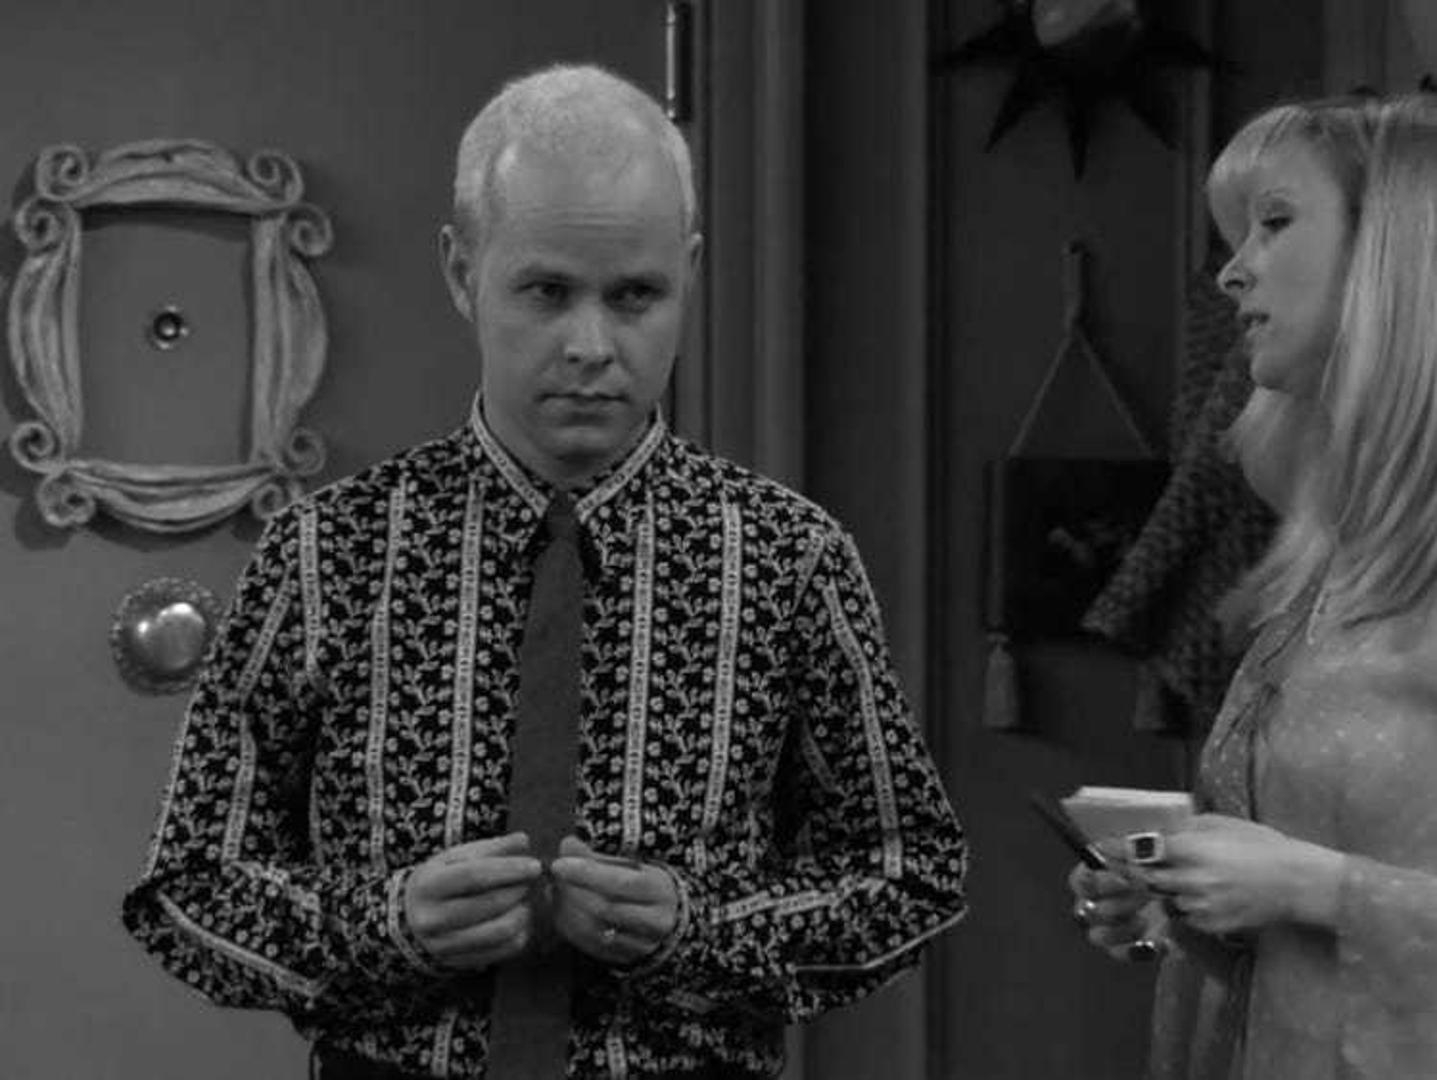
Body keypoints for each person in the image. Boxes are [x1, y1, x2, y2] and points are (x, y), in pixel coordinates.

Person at [122, 63, 968, 1080]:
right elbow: (191, 885)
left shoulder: (788, 556)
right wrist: (382, 926)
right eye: (546, 292)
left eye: (636, 296)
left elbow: (907, 875)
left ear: (690, 272)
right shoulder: (326, 552)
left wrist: (705, 932)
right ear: (460, 271)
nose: (590, 345)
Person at [1069, 91, 1437, 1079]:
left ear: (1395, 252)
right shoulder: (1322, 570)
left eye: (1274, 223)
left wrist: (1312, 887)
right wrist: (1185, 908)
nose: (1233, 272)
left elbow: (1320, 886)